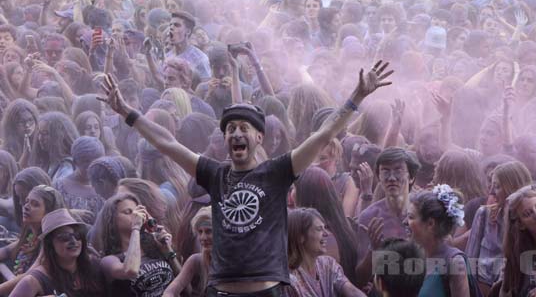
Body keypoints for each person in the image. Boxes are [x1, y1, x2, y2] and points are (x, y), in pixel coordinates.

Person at [98, 59, 393, 296]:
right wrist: (126, 111)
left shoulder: (277, 172)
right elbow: (167, 144)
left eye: (243, 128)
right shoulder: (215, 173)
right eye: (230, 129)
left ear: (259, 137)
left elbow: (324, 133)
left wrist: (358, 95)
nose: (236, 133)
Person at [355, 147, 420, 287]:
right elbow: (360, 279)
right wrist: (374, 250)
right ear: (378, 177)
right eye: (385, 171)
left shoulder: (425, 211)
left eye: (398, 170)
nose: (391, 178)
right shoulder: (369, 217)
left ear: (411, 177)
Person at [466, 161, 532, 295]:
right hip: (482, 290)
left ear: (511, 187)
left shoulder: (529, 221)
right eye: (491, 185)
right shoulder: (484, 214)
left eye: (497, 186)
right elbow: (470, 260)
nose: (491, 191)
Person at [96, 193, 179, 297]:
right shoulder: (109, 260)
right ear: (112, 220)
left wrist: (168, 250)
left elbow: (184, 285)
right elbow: (130, 271)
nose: (136, 215)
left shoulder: (154, 246)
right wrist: (136, 228)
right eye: (128, 212)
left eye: (137, 212)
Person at [9, 209, 105, 297]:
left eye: (77, 235)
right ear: (50, 244)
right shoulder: (35, 280)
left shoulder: (93, 264)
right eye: (64, 237)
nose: (73, 241)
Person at [407, 185, 473, 296]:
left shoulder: (455, 263)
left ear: (430, 224)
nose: (405, 222)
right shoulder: (412, 256)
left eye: (411, 217)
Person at [286, 208, 365, 297]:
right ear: (301, 236)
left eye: (325, 228)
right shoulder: (289, 280)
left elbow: (353, 290)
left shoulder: (328, 264)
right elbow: (363, 278)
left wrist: (377, 251)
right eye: (319, 229)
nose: (327, 234)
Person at [53, 136, 106, 222]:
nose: (92, 167)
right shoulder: (59, 187)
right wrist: (69, 213)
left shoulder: (106, 188)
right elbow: (47, 216)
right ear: (75, 162)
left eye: (97, 162)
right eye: (87, 162)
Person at [164, 207, 213, 297]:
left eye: (209, 231)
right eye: (200, 232)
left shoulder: (235, 261)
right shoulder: (196, 260)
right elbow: (170, 292)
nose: (203, 237)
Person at [166, 11, 211, 82]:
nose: (171, 28)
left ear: (188, 31)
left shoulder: (200, 59)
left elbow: (205, 88)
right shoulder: (167, 57)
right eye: (170, 25)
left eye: (177, 25)